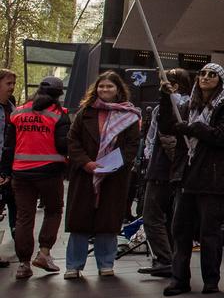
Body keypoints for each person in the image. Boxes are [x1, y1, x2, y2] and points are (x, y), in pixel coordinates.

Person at [159, 62, 224, 296]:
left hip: (212, 180)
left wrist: (195, 129)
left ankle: (211, 280)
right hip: (187, 177)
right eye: (203, 73)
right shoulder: (187, 106)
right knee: (180, 230)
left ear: (221, 80)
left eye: (212, 74)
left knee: (209, 232)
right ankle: (179, 279)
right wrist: (165, 98)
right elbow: (168, 126)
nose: (205, 77)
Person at [63, 71, 142, 278]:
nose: (105, 90)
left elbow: (132, 146)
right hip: (85, 174)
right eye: (101, 86)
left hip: (114, 176)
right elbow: (72, 141)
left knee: (108, 221)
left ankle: (106, 264)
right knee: (79, 221)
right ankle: (74, 266)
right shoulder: (85, 113)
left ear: (118, 90)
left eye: (109, 86)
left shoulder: (130, 116)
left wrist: (115, 165)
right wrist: (86, 163)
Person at [8, 76, 71, 280]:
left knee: (24, 217)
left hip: (20, 173)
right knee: (53, 211)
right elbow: (63, 146)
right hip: (49, 172)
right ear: (58, 94)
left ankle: (23, 265)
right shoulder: (58, 114)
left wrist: (5, 171)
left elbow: (9, 145)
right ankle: (44, 253)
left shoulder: (18, 111)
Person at [139, 68, 192, 278]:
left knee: (151, 215)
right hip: (171, 170)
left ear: (175, 85)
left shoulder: (173, 107)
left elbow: (168, 139)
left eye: (164, 82)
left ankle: (164, 258)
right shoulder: (187, 105)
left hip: (163, 169)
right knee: (170, 216)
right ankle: (171, 258)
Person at [0, 68, 17, 267]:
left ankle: (18, 239)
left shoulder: (12, 108)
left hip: (10, 164)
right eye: (8, 83)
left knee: (12, 203)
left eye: (13, 84)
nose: (11, 87)